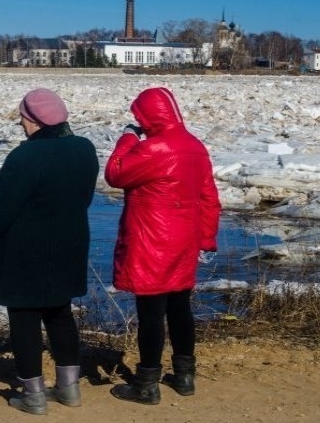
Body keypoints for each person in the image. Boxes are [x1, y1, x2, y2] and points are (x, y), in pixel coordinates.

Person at [0, 88, 99, 416]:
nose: (20, 123)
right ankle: (69, 389)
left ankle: (33, 395)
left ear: (35, 119)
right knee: (60, 314)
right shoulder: (84, 149)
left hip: (24, 252)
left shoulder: (25, 156)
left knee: (25, 317)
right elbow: (83, 198)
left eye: (23, 117)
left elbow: (3, 206)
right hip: (68, 245)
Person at [104, 86, 221, 405]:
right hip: (184, 239)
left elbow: (115, 173)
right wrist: (206, 237)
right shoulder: (195, 146)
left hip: (152, 239)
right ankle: (184, 376)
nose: (136, 120)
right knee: (180, 306)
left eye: (138, 116)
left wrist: (129, 138)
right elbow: (209, 197)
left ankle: (146, 383)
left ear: (148, 116)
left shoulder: (155, 148)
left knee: (152, 311)